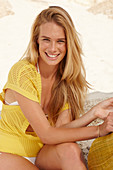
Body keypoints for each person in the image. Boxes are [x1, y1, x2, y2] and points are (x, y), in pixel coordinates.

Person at [0, 6, 113, 170]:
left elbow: (60, 131)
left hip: (43, 155)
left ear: (68, 44)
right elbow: (46, 134)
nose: (53, 49)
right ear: (36, 40)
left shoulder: (65, 80)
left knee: (70, 150)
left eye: (60, 41)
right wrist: (98, 130)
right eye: (46, 40)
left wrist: (93, 113)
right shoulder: (23, 72)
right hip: (8, 154)